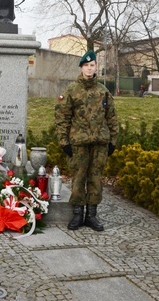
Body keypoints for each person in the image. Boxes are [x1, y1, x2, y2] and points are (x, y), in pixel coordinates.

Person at [55, 50, 119, 231]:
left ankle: (91, 215)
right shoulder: (71, 91)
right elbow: (62, 117)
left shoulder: (103, 91)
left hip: (100, 142)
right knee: (78, 177)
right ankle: (77, 214)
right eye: (86, 66)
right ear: (81, 67)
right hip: (79, 143)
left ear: (96, 67)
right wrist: (64, 142)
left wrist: (113, 141)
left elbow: (112, 117)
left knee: (96, 178)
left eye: (92, 66)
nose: (89, 69)